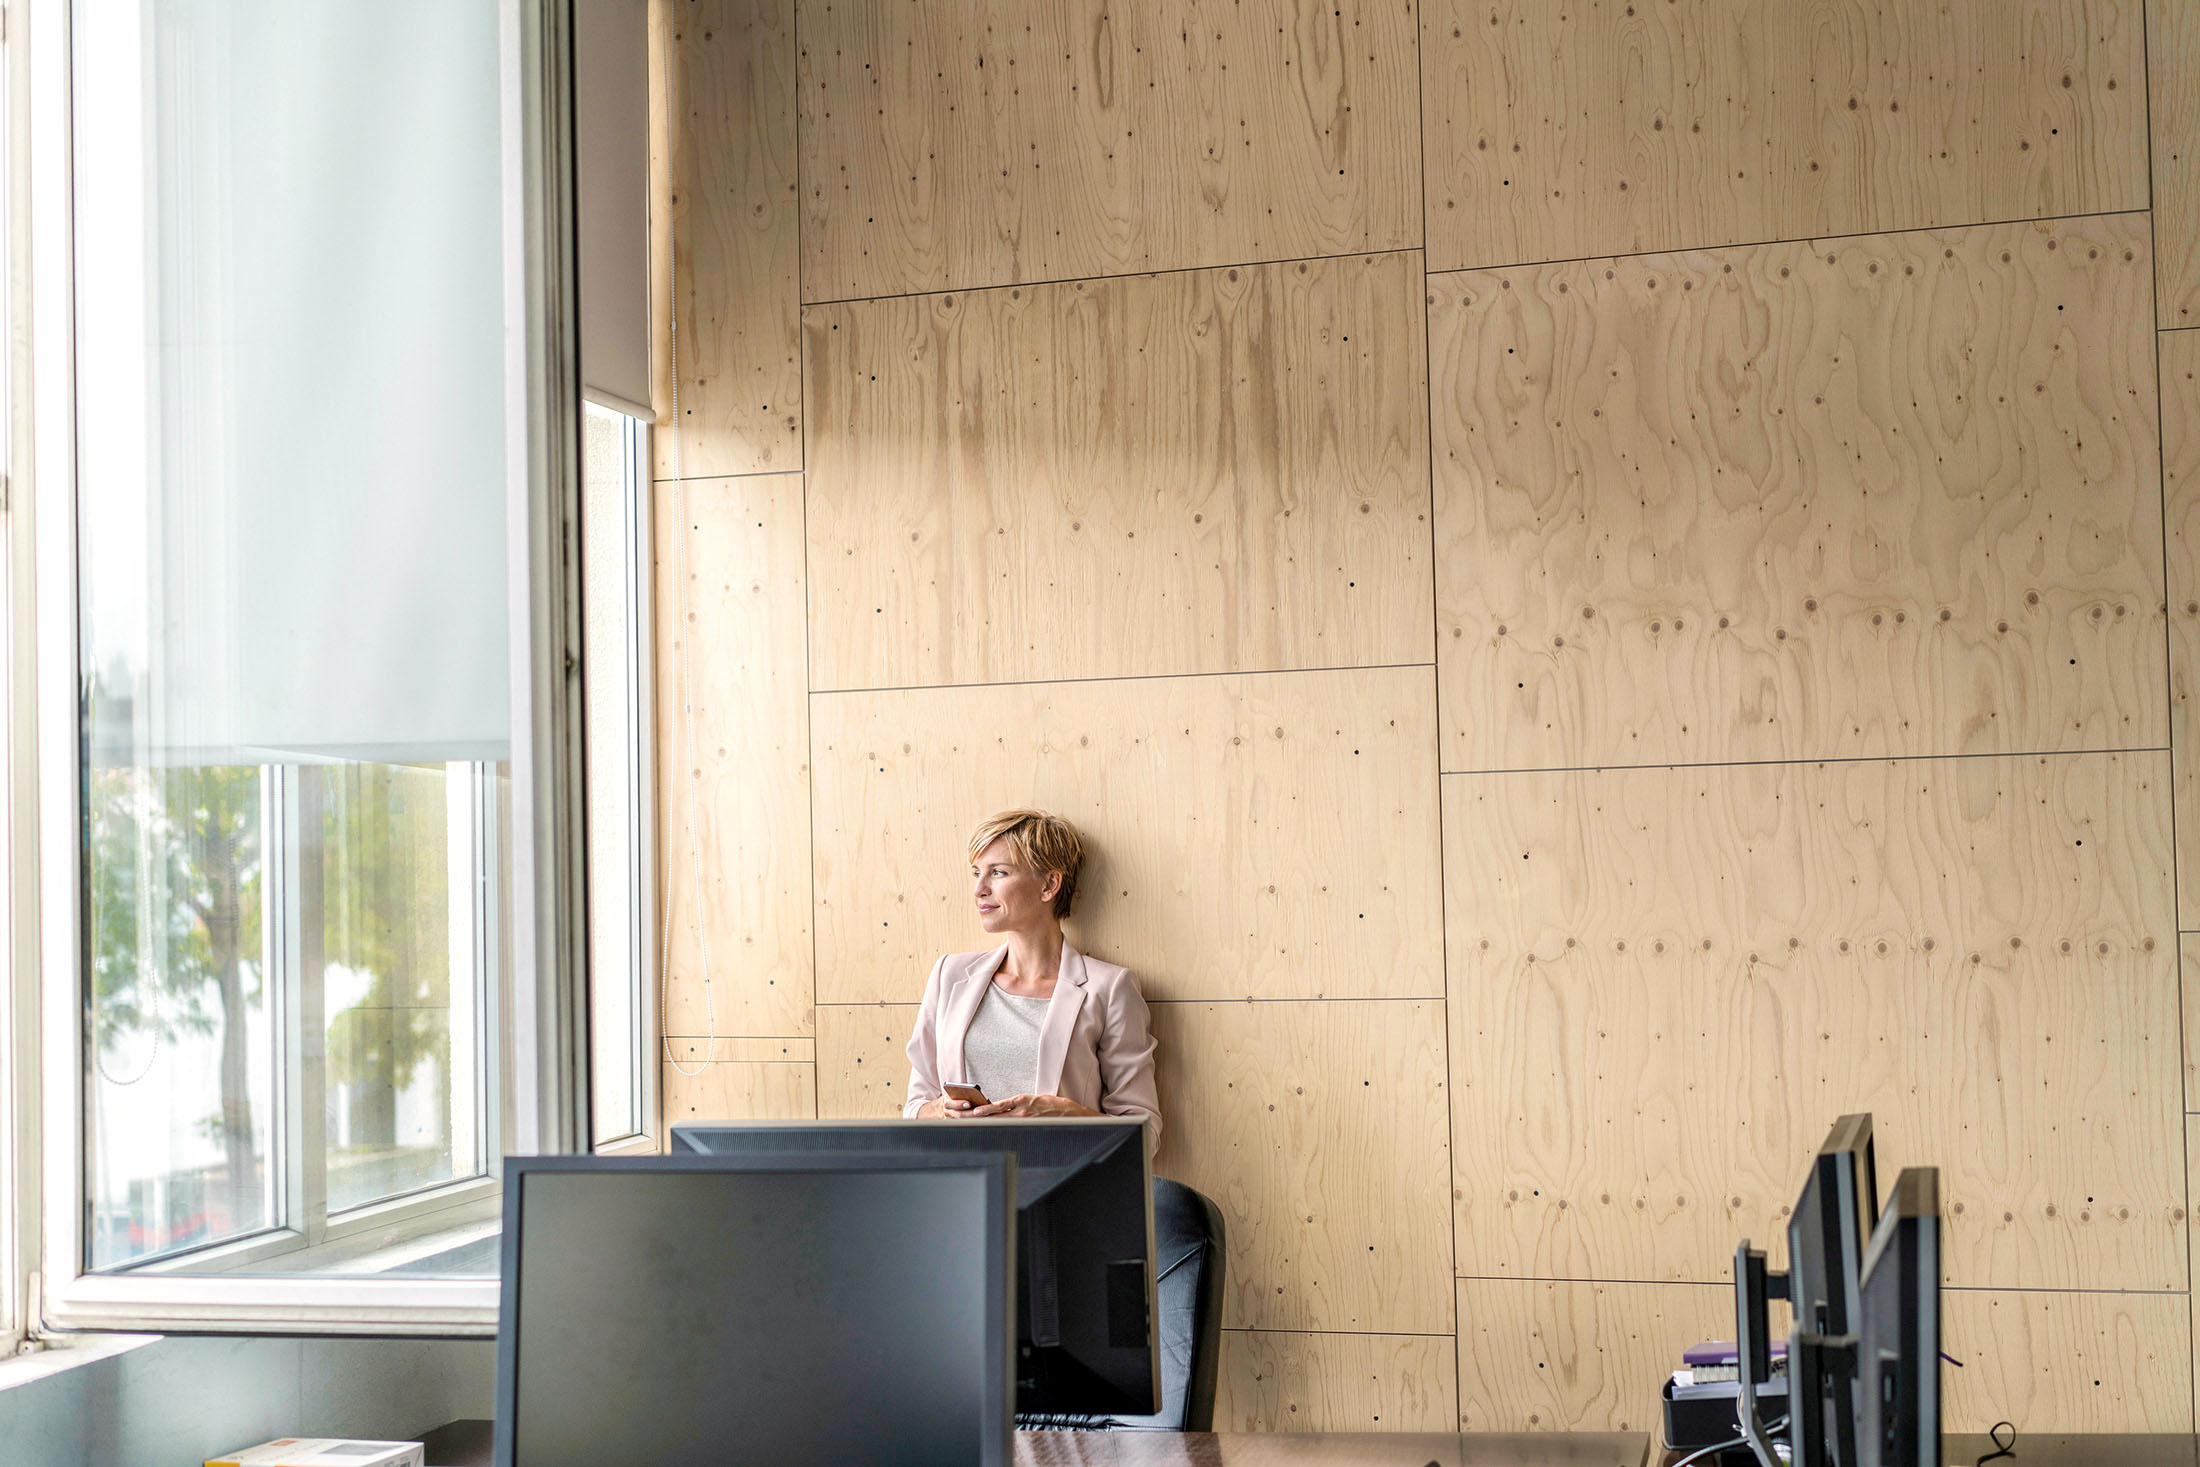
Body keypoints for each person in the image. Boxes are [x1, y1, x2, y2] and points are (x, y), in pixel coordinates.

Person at [904, 809, 1162, 1152]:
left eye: (998, 872)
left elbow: (1146, 1136)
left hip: (1061, 1190)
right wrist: (941, 1111)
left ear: (1049, 885)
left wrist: (1063, 1113)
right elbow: (914, 1109)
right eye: (977, 873)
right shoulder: (949, 976)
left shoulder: (1109, 988)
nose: (980, 889)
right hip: (961, 1186)